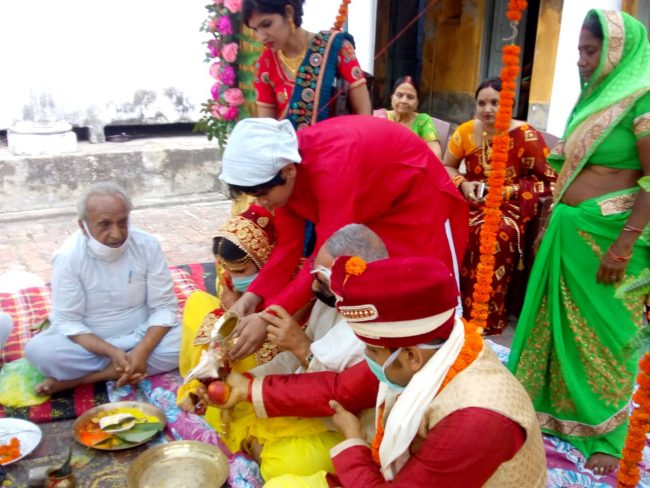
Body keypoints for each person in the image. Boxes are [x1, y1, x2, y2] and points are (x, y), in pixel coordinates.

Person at [212, 255, 547, 487]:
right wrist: (245, 388)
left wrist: (353, 444)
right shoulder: (432, 349)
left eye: (371, 351)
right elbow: (340, 389)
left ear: (411, 356)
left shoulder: (475, 420)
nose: (366, 358)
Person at [508, 9, 650, 476]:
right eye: (579, 51)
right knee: (556, 328)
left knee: (606, 337)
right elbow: (570, 168)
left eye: (590, 51)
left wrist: (624, 245)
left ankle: (608, 433)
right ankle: (555, 414)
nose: (581, 61)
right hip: (570, 232)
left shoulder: (642, 98)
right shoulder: (592, 101)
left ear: (618, 52)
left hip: (611, 240)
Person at [219, 116, 469, 361]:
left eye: (262, 193)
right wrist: (252, 297)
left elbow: (324, 258)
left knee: (429, 296)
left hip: (421, 201)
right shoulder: (283, 176)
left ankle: (441, 362)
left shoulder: (331, 165)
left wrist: (268, 318)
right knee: (376, 293)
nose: (261, 203)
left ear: (289, 170)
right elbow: (287, 248)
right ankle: (371, 362)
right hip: (375, 206)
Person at [24, 182, 181, 394]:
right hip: (91, 342)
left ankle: (86, 379)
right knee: (39, 352)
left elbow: (164, 307)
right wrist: (112, 352)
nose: (117, 234)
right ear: (83, 226)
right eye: (104, 225)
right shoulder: (68, 257)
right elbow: (68, 322)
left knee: (195, 339)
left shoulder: (147, 245)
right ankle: (128, 367)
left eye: (122, 222)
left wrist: (142, 351)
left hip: (143, 332)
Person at [442, 77, 557, 335]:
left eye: (495, 102)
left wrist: (508, 190)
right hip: (471, 200)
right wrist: (463, 184)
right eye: (482, 103)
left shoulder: (526, 135)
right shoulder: (465, 131)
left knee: (492, 234)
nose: (488, 109)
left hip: (509, 206)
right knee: (447, 228)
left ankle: (485, 317)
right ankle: (449, 309)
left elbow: (550, 180)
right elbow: (448, 166)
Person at [245, 0, 372, 130]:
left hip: (340, 141)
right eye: (255, 29)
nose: (261, 37)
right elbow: (267, 130)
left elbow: (365, 116)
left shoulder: (336, 48)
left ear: (289, 12)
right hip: (289, 143)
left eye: (266, 24)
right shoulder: (266, 64)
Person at [373, 76, 442, 158]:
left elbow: (436, 154)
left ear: (417, 102)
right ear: (391, 97)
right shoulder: (379, 118)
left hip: (414, 165)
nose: (404, 101)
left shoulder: (423, 120)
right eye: (399, 95)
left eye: (410, 97)